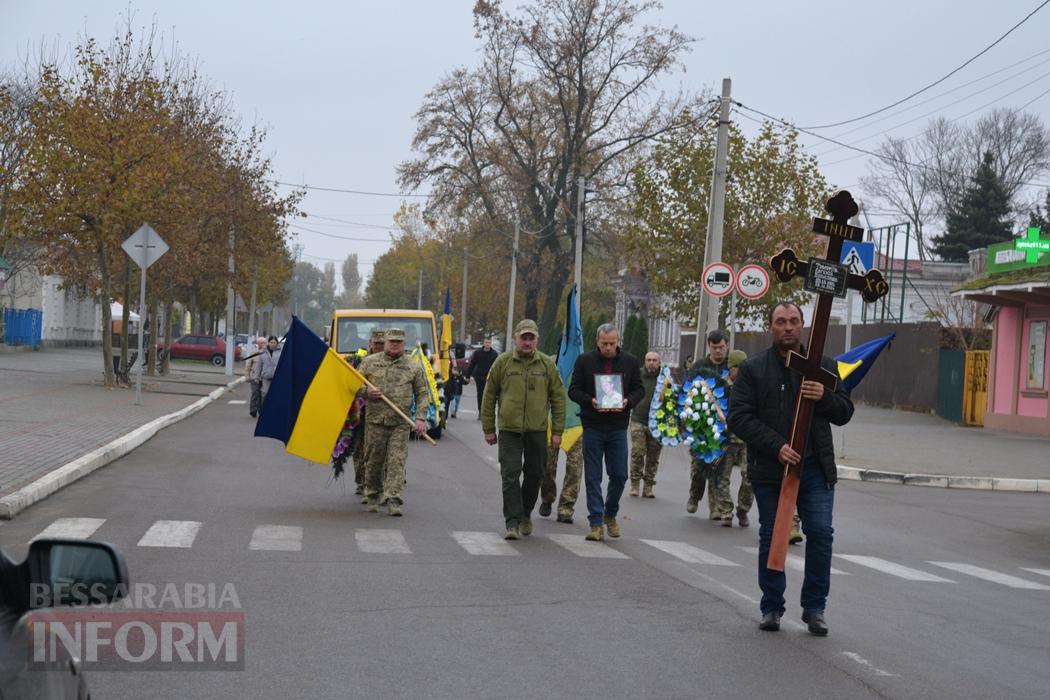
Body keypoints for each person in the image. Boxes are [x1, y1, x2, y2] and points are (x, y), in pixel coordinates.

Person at [727, 301, 854, 636]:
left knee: (821, 535)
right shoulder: (755, 369)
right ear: (771, 327)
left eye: (793, 321)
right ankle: (771, 606)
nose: (787, 327)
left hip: (815, 467)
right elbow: (738, 417)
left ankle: (814, 608)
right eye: (780, 321)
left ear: (803, 326)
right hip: (771, 469)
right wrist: (776, 445)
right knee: (773, 536)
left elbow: (844, 411)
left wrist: (824, 396)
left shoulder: (824, 367)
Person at [481, 319, 565, 541]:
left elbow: (558, 399)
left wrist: (557, 431)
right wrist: (488, 428)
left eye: (531, 338)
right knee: (510, 474)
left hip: (537, 430)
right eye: (523, 338)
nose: (527, 342)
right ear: (515, 339)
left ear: (537, 339)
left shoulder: (547, 365)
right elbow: (489, 396)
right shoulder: (502, 363)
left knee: (535, 474)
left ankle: (526, 512)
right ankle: (512, 521)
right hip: (509, 430)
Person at [568, 323, 644, 542]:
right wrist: (590, 401)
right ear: (597, 342)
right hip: (593, 425)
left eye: (612, 343)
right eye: (604, 344)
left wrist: (629, 401)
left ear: (618, 341)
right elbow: (574, 390)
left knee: (619, 475)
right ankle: (595, 523)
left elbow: (639, 389)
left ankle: (610, 514)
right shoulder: (585, 361)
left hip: (618, 426)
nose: (609, 348)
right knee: (593, 476)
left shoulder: (629, 362)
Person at [358, 328, 430, 517]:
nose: (395, 344)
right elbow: (354, 385)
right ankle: (373, 495)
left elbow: (422, 393)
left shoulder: (413, 366)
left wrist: (420, 418)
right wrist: (366, 392)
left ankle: (394, 500)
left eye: (399, 342)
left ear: (404, 344)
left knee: (397, 461)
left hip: (400, 423)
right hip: (375, 421)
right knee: (373, 460)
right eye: (392, 341)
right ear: (386, 343)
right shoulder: (369, 363)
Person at [687, 328, 732, 516]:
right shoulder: (699, 367)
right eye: (715, 348)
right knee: (699, 467)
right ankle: (694, 495)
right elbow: (687, 392)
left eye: (721, 347)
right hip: (701, 425)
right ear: (709, 347)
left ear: (727, 346)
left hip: (724, 426)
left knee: (718, 466)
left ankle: (715, 508)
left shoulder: (732, 367)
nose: (718, 351)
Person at [715, 349, 753, 527]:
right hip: (726, 440)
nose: (740, 370)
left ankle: (743, 509)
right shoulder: (720, 387)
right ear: (730, 368)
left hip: (747, 439)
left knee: (749, 477)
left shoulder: (753, 386)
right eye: (737, 366)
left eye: (743, 366)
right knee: (722, 476)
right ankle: (725, 512)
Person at [629, 351, 664, 499]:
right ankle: (635, 485)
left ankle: (648, 486)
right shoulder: (638, 375)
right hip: (638, 420)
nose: (651, 363)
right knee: (638, 452)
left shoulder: (665, 378)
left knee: (653, 456)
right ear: (645, 361)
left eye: (654, 360)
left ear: (659, 362)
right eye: (648, 360)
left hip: (657, 424)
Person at [540, 440, 583, 523]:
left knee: (575, 468)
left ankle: (565, 508)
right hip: (551, 429)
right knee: (547, 465)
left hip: (575, 429)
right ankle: (547, 497)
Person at [466, 337, 499, 418]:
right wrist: (468, 375)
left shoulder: (494, 354)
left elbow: (496, 367)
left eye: (489, 343)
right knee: (480, 394)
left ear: (491, 344)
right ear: (484, 343)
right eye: (486, 342)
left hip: (489, 378)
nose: (487, 344)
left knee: (488, 395)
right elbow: (472, 364)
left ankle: (486, 412)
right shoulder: (478, 353)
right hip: (479, 377)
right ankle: (480, 412)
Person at [255, 335, 281, 406]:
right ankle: (264, 410)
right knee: (265, 393)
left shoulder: (281, 352)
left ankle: (274, 411)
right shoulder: (262, 352)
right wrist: (256, 377)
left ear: (277, 343)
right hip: (266, 377)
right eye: (271, 342)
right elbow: (259, 365)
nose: (273, 344)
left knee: (276, 395)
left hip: (277, 378)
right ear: (268, 343)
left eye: (274, 342)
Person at [245, 336, 267, 417]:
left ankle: (261, 410)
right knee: (255, 393)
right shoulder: (254, 352)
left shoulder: (268, 352)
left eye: (264, 342)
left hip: (265, 377)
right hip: (255, 377)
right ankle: (253, 410)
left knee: (263, 394)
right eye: (261, 343)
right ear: (258, 344)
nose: (263, 344)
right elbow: (248, 365)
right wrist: (247, 376)